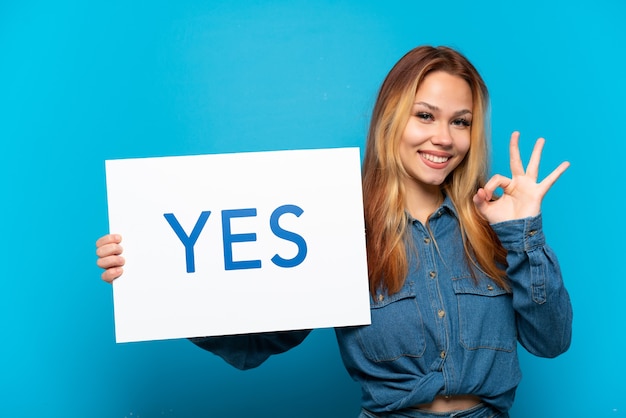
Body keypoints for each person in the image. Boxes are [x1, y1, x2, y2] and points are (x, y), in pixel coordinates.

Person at [96, 45, 572, 417]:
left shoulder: (494, 227)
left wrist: (523, 232)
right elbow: (254, 345)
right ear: (391, 118)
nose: (443, 138)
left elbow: (551, 341)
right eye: (424, 115)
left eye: (460, 122)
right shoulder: (337, 227)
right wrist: (158, 277)